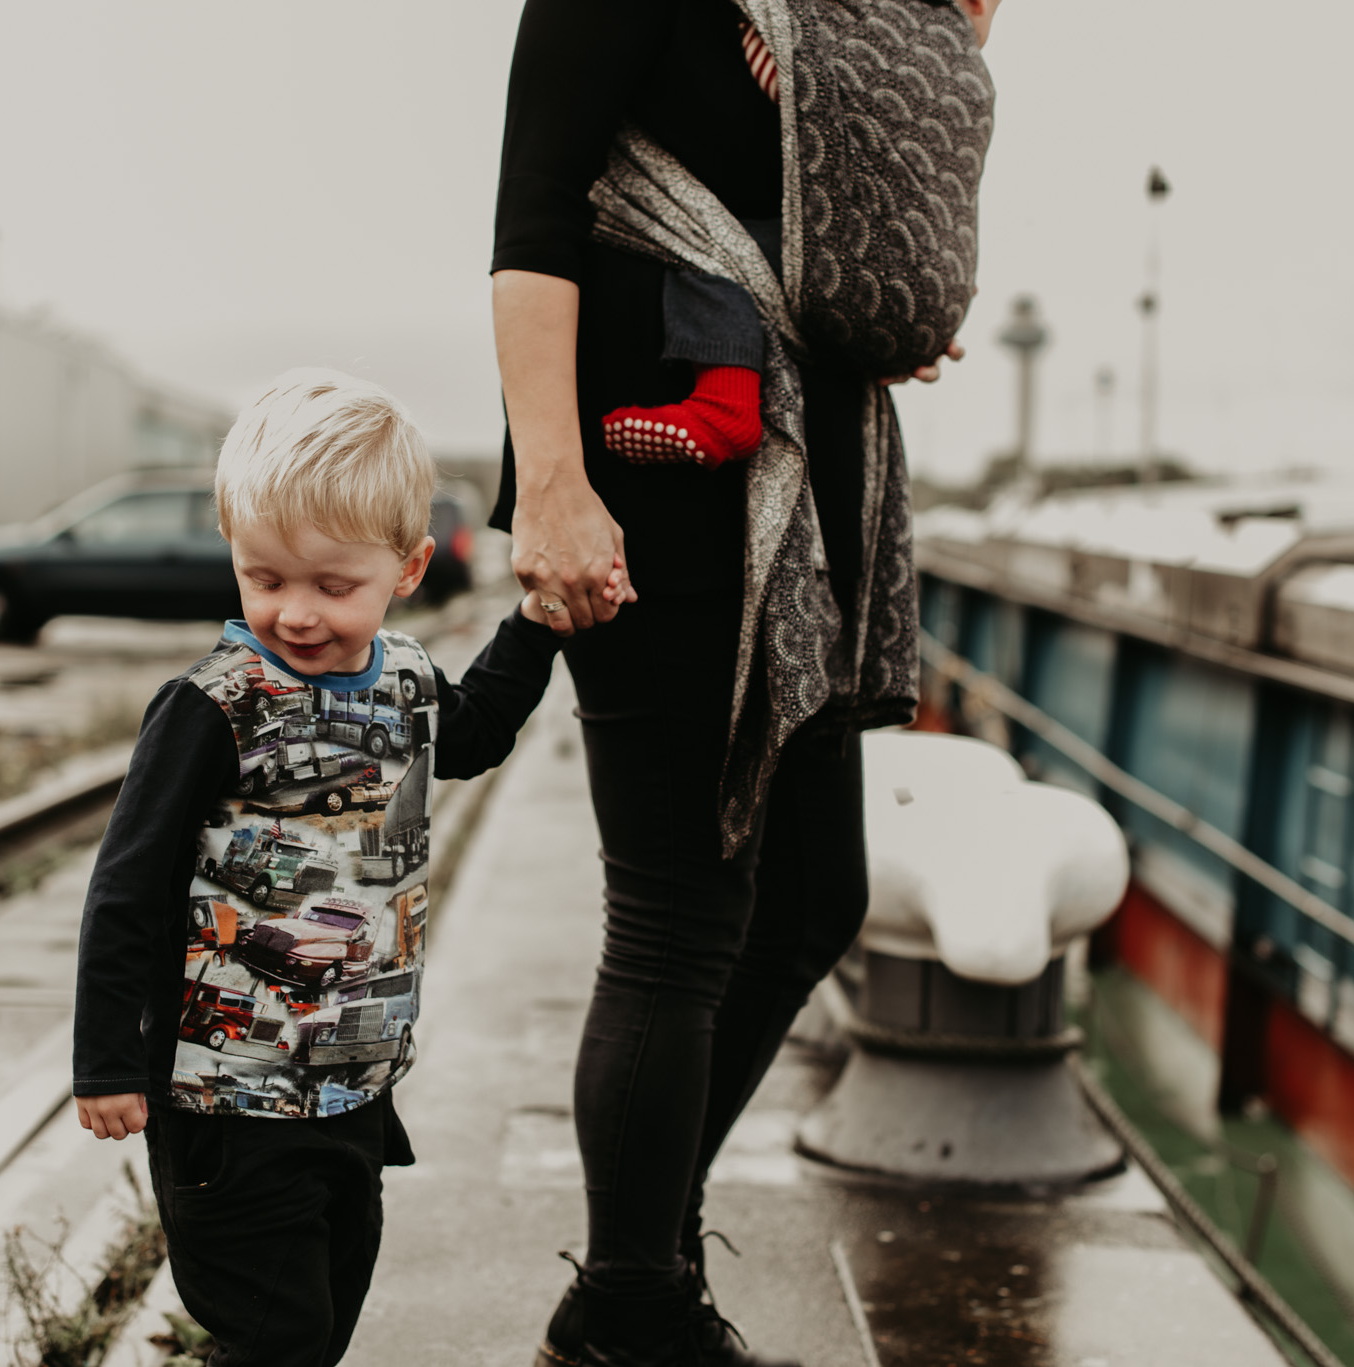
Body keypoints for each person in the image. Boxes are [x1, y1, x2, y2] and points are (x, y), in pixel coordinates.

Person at [490, 3, 1000, 1365]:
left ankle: (638, 1247)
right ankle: (631, 1309)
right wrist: (551, 488)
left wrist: (890, 290)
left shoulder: (836, 17)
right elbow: (534, 220)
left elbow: (893, 159)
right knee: (679, 910)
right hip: (657, 471)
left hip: (815, 479)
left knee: (814, 893)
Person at [71, 370, 617, 1367]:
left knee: (322, 1318)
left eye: (334, 585)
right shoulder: (213, 703)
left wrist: (538, 624)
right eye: (265, 578)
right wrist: (107, 1060)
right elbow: (127, 885)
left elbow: (477, 732)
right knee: (278, 1334)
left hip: (352, 1086)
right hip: (222, 1094)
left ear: (406, 568)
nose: (296, 613)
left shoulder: (404, 678)